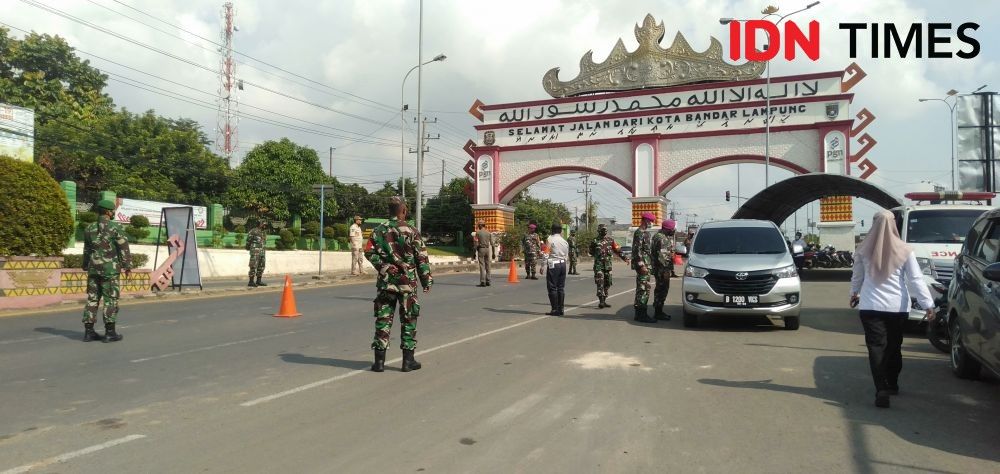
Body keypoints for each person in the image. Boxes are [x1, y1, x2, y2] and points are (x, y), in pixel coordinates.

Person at [850, 210, 934, 409]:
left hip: (870, 307)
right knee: (894, 347)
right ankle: (892, 383)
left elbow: (857, 277)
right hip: (897, 307)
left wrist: (854, 293)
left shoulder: (863, 249)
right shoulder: (905, 250)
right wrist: (928, 304)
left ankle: (880, 388)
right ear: (894, 224)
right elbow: (915, 279)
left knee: (876, 348)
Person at [364, 197, 433, 373]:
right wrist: (426, 280)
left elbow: (369, 252)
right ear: (403, 210)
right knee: (409, 320)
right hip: (407, 284)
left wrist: (384, 266)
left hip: (386, 284)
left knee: (383, 321)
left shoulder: (378, 230)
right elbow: (421, 258)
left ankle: (379, 363)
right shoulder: (412, 230)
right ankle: (407, 362)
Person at [81, 199, 131, 343]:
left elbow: (86, 250)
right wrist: (127, 266)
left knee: (92, 299)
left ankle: (89, 332)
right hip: (110, 270)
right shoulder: (115, 227)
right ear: (109, 212)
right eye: (113, 210)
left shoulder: (89, 228)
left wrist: (85, 265)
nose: (113, 212)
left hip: (93, 269)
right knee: (110, 300)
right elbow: (123, 248)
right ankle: (110, 332)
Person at [590, 224, 629, 309]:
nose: (604, 231)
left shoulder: (611, 240)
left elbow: (617, 250)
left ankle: (604, 298)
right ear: (599, 230)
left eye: (605, 229)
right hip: (598, 266)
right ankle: (601, 301)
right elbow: (591, 251)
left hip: (608, 266)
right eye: (602, 229)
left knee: (608, 283)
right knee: (600, 282)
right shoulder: (594, 241)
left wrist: (625, 258)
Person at [632, 212, 657, 323]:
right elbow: (637, 251)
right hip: (643, 266)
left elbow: (647, 251)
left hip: (647, 265)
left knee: (645, 288)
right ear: (645, 221)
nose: (651, 224)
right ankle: (641, 314)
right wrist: (641, 265)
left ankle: (641, 313)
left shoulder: (646, 233)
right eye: (650, 222)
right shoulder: (639, 233)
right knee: (642, 289)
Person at [650, 219, 677, 321]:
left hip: (658, 268)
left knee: (659, 289)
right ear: (668, 228)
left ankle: (658, 311)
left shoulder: (657, 236)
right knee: (662, 290)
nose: (673, 230)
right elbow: (663, 257)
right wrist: (667, 271)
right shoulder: (663, 239)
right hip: (662, 269)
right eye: (672, 228)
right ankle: (658, 312)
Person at [544, 223, 569, 315]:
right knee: (561, 287)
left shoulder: (550, 239)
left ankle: (554, 309)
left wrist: (543, 265)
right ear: (561, 231)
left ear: (552, 230)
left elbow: (546, 253)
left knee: (552, 287)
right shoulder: (564, 241)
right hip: (563, 264)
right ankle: (561, 309)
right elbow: (567, 254)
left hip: (553, 264)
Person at [245, 220, 267, 287]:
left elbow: (263, 242)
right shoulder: (253, 231)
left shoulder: (264, 232)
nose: (265, 226)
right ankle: (251, 281)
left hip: (262, 252)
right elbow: (248, 240)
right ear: (260, 224)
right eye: (263, 224)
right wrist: (248, 248)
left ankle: (258, 281)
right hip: (255, 252)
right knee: (253, 266)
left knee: (261, 266)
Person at [474, 219, 495, 287]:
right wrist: (494, 253)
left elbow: (476, 243)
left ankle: (482, 281)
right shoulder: (489, 233)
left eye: (478, 225)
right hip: (487, 250)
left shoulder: (478, 232)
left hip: (481, 249)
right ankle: (488, 281)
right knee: (488, 265)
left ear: (480, 225)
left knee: (482, 265)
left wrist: (474, 252)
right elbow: (492, 244)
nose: (478, 226)